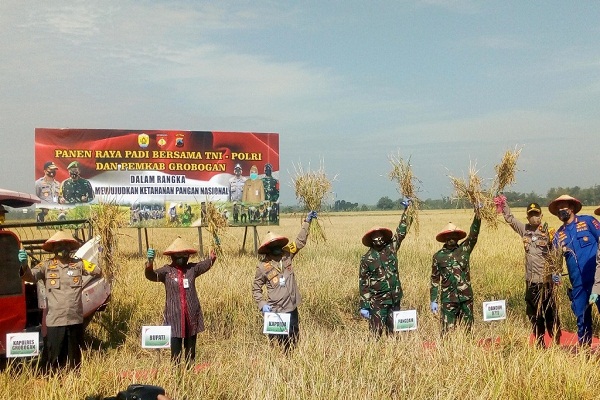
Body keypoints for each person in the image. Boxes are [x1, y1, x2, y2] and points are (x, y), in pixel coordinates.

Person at [18, 231, 102, 369]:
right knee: (55, 357)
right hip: (56, 320)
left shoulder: (79, 264)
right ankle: (56, 382)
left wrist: (101, 251)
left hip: (75, 318)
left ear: (70, 247)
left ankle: (74, 383)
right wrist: (24, 266)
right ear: (53, 248)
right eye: (59, 245)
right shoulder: (46, 266)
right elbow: (30, 277)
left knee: (75, 357)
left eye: (66, 245)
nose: (63, 248)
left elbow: (98, 271)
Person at [494, 196, 561, 347]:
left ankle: (556, 341)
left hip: (547, 282)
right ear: (527, 217)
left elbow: (557, 254)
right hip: (531, 281)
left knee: (550, 312)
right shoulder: (524, 230)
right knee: (534, 314)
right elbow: (510, 219)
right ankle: (540, 341)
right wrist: (503, 204)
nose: (534, 217)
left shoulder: (549, 233)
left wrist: (556, 272)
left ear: (541, 215)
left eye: (536, 214)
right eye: (531, 215)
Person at [252, 210, 317, 352]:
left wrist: (307, 222)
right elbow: (256, 289)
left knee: (293, 340)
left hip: (291, 307)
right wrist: (262, 304)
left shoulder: (287, 255)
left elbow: (300, 242)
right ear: (267, 249)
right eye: (273, 246)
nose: (277, 249)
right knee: (278, 344)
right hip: (276, 310)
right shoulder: (263, 267)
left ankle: (292, 364)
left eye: (278, 245)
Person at [145, 236, 217, 365]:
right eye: (178, 254)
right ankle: (177, 377)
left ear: (188, 255)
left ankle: (189, 376)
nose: (182, 257)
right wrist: (149, 263)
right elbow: (151, 275)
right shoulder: (166, 271)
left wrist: (213, 256)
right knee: (176, 353)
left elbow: (206, 264)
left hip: (191, 315)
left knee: (191, 351)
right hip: (174, 317)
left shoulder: (192, 269)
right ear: (172, 255)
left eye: (185, 254)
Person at [549, 194, 600, 346]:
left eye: (563, 207)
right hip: (578, 285)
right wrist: (555, 275)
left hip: (597, 279)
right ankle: (585, 353)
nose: (561, 211)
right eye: (558, 209)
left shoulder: (588, 222)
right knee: (582, 320)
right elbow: (556, 262)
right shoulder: (558, 235)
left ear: (571, 208)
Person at [359, 200, 411, 336]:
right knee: (375, 332)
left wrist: (407, 212)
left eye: (380, 236)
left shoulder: (391, 249)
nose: (379, 240)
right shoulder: (367, 258)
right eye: (375, 238)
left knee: (395, 332)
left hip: (395, 297)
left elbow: (401, 232)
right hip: (378, 301)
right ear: (371, 240)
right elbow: (364, 283)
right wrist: (364, 305)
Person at [430, 207, 481, 335]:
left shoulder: (464, 250)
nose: (450, 238)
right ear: (444, 238)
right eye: (447, 236)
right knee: (447, 333)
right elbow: (435, 280)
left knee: (468, 331)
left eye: (453, 235)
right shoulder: (438, 257)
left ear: (457, 237)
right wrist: (433, 300)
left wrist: (478, 215)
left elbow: (474, 234)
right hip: (448, 300)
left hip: (465, 297)